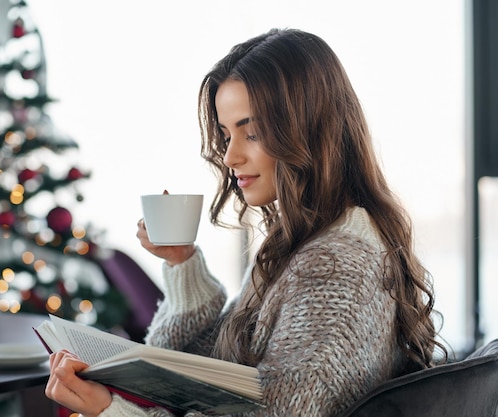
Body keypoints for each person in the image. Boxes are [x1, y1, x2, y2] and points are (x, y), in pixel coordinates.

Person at [45, 28, 448, 417]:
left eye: (251, 133)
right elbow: (209, 364)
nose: (229, 156)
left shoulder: (334, 266)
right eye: (225, 134)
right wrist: (182, 265)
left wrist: (110, 411)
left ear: (307, 131)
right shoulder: (302, 244)